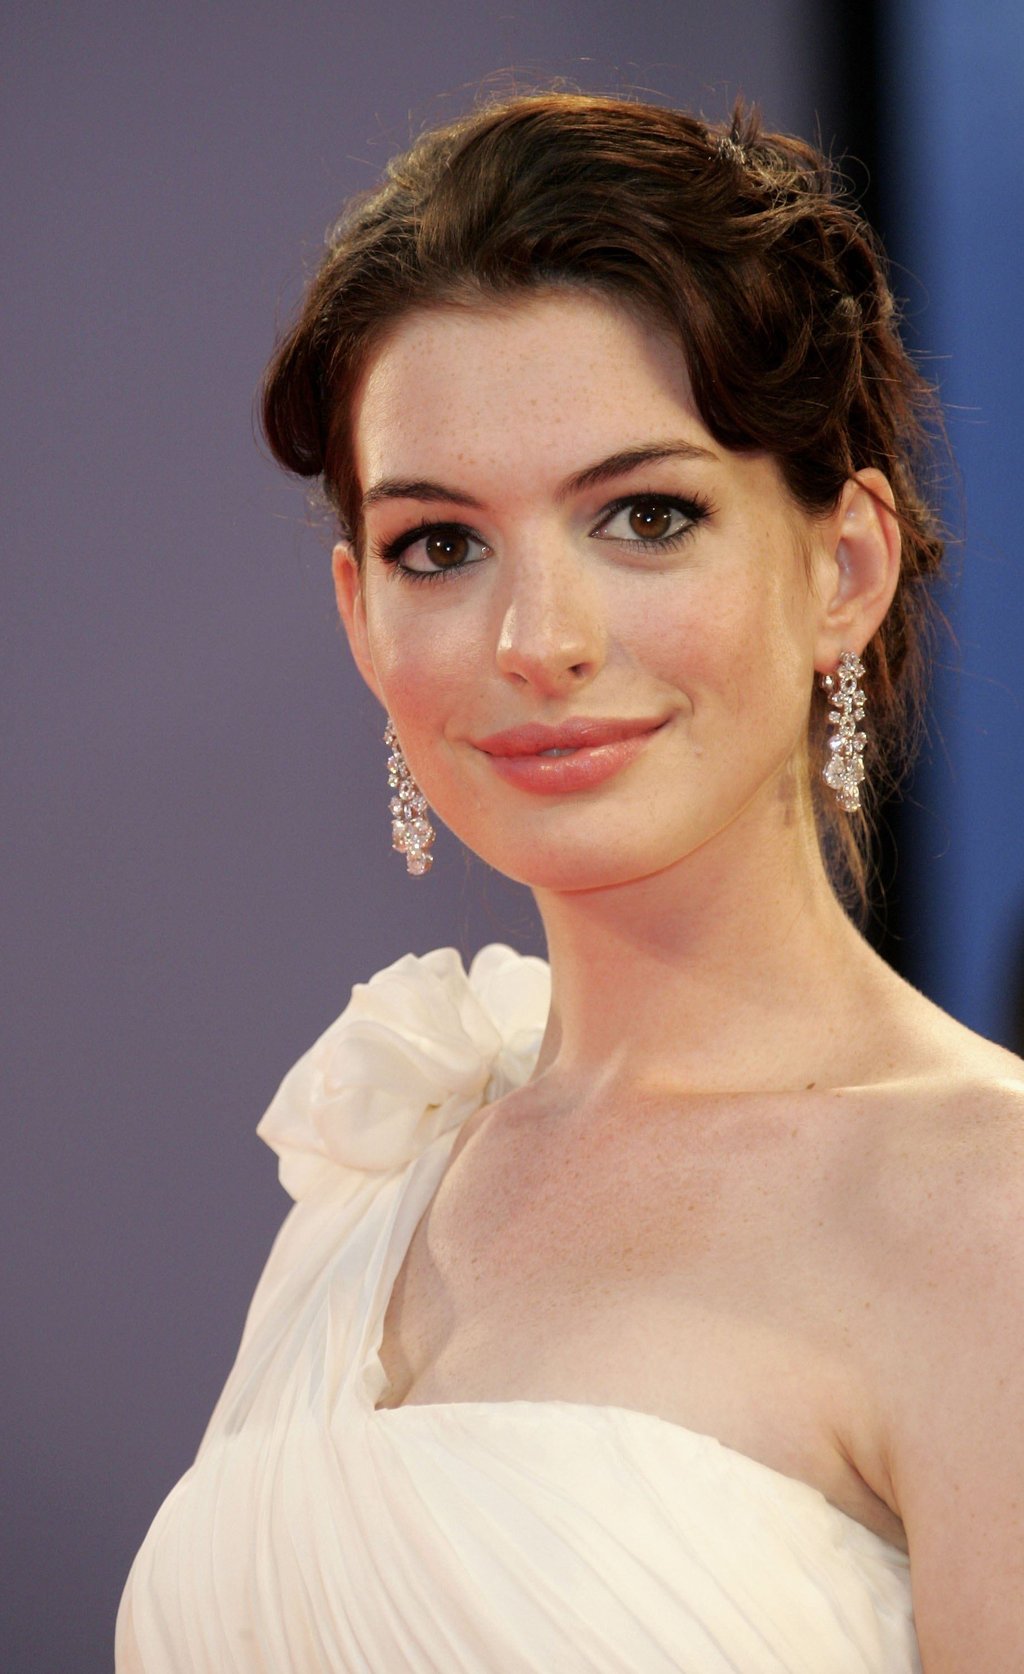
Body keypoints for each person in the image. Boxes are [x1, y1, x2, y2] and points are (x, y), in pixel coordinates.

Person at [116, 92, 1024, 1671]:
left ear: (845, 566)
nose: (540, 640)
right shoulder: (384, 1162)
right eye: (438, 546)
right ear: (357, 613)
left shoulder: (986, 1213)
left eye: (645, 516)